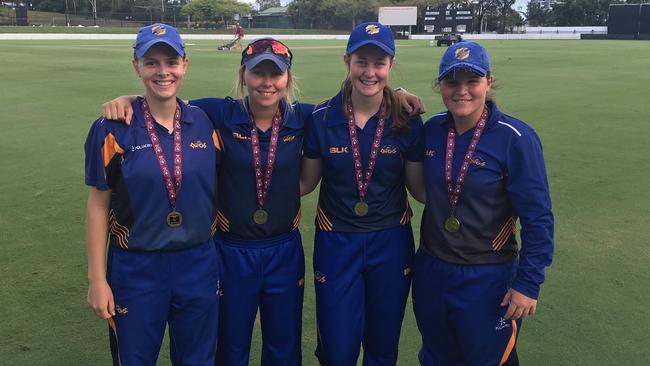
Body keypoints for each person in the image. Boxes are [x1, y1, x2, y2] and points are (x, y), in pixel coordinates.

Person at [84, 23, 221, 365]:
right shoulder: (110, 129)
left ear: (185, 65)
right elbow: (98, 206)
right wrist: (97, 280)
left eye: (171, 62)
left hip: (199, 263)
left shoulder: (205, 120)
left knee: (198, 359)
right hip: (136, 267)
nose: (163, 72)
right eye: (152, 62)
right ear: (137, 67)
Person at [413, 41, 554, 366]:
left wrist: (528, 282)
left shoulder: (515, 138)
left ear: (488, 82)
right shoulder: (433, 129)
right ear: (440, 86)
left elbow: (538, 218)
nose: (462, 91)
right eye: (452, 82)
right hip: (432, 269)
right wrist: (400, 94)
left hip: (487, 276)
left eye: (472, 81)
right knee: (435, 356)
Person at [300, 22, 425, 366]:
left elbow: (420, 191)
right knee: (338, 351)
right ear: (347, 61)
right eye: (361, 61)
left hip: (391, 242)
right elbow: (305, 184)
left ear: (390, 65)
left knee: (382, 348)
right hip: (336, 242)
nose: (370, 72)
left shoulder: (408, 120)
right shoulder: (321, 118)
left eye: (379, 63)